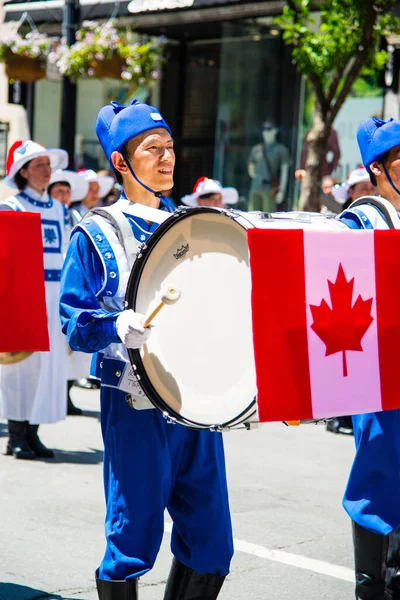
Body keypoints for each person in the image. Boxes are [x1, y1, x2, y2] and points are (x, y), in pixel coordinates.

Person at [59, 99, 233, 599]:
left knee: (212, 539)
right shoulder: (95, 231)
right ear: (120, 161)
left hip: (197, 401)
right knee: (132, 539)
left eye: (171, 148)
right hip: (133, 402)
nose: (167, 158)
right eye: (152, 149)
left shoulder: (191, 223)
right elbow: (74, 322)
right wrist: (116, 324)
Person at [337, 117, 400, 599]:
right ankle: (371, 587)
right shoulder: (361, 220)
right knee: (380, 476)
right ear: (378, 169)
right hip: (376, 370)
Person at [0, 140, 69, 460]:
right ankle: (15, 433)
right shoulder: (11, 208)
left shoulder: (60, 209)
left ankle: (33, 431)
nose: (47, 169)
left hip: (55, 295)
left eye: (47, 163)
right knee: (22, 366)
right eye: (39, 164)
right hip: (25, 295)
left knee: (48, 365)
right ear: (24, 171)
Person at [48, 169, 91, 416]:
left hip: (67, 281)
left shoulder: (67, 214)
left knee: (69, 346)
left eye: (67, 192)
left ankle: (66, 393)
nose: (64, 196)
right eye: (59, 191)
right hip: (52, 284)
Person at [248, 120, 291, 212]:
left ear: (275, 131)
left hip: (269, 188)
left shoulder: (281, 150)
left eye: (269, 129)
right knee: (252, 216)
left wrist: (281, 191)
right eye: (263, 130)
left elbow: (285, 172)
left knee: (267, 218)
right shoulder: (256, 149)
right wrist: (257, 177)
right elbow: (251, 167)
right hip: (255, 187)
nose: (266, 132)